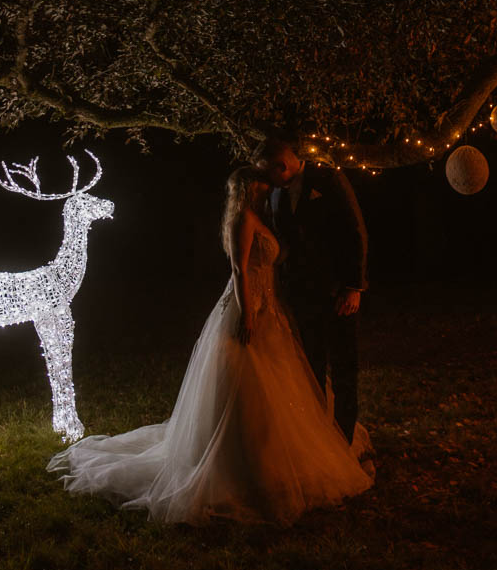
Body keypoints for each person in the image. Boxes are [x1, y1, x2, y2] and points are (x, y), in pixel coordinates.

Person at [47, 166, 374, 524]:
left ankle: (270, 456)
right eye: (262, 181)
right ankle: (241, 461)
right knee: (246, 384)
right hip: (248, 307)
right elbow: (238, 271)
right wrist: (248, 313)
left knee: (280, 381)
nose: (270, 185)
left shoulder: (262, 215)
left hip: (271, 310)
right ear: (250, 188)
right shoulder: (242, 221)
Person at [254, 136, 369, 447]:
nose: (267, 180)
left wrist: (353, 286)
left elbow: (354, 231)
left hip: (336, 292)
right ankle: (318, 439)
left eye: (269, 172)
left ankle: (343, 440)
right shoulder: (275, 195)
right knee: (311, 367)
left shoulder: (328, 179)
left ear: (283, 165)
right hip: (301, 294)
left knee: (344, 368)